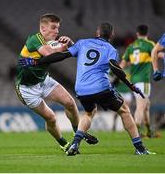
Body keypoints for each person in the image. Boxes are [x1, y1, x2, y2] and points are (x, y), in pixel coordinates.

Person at [19, 22, 155, 156]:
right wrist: (130, 85)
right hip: (101, 87)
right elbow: (114, 67)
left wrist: (36, 61)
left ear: (97, 33)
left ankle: (75, 143)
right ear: (112, 35)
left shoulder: (83, 43)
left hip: (81, 89)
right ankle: (140, 148)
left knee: (89, 112)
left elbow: (62, 55)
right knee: (124, 111)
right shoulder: (111, 49)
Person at [15, 13, 98, 153]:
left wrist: (69, 44)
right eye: (53, 28)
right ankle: (63, 143)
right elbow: (50, 55)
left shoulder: (52, 42)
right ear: (43, 28)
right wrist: (66, 49)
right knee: (51, 118)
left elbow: (62, 51)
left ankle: (77, 133)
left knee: (70, 103)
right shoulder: (34, 39)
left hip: (44, 80)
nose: (57, 31)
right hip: (27, 89)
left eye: (58, 28)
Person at [120, 25, 156, 138]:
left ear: (137, 33)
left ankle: (149, 131)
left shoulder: (131, 47)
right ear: (147, 33)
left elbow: (122, 65)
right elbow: (155, 54)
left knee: (146, 105)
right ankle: (136, 132)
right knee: (141, 106)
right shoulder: (150, 44)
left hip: (134, 81)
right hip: (143, 80)